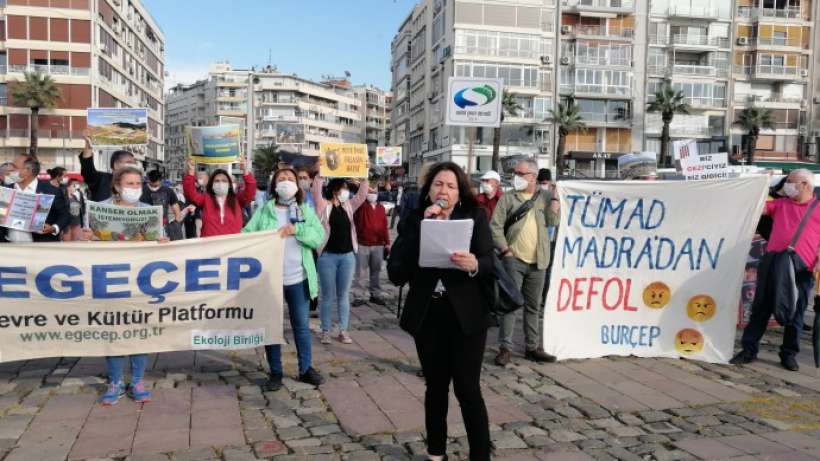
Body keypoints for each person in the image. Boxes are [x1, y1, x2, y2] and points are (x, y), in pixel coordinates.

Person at [387, 161, 493, 461]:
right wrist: (423, 228)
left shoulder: (475, 216)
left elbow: (489, 263)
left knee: (467, 388)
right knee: (435, 387)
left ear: (459, 194)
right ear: (428, 190)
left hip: (467, 317)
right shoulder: (413, 220)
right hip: (428, 315)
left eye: (450, 186)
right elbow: (396, 273)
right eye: (437, 184)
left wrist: (475, 265)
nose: (443, 190)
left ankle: (480, 455)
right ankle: (436, 453)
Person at [79, 166, 168, 405]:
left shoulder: (150, 212)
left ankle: (137, 380)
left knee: (139, 330)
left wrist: (163, 241)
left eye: (138, 184)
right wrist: (85, 238)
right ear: (117, 186)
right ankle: (115, 381)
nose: (134, 188)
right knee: (114, 331)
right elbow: (88, 249)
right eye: (129, 184)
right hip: (111, 281)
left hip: (140, 282)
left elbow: (161, 245)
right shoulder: (101, 209)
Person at [243, 168, 325, 390]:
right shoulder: (264, 210)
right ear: (274, 184)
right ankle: (276, 372)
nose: (286, 182)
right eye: (282, 178)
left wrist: (296, 231)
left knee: (301, 326)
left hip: (298, 279)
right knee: (272, 327)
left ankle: (306, 368)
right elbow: (246, 235)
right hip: (271, 280)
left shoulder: (305, 210)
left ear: (298, 185)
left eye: (291, 179)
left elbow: (318, 236)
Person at [731, 169, 820, 371]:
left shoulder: (818, 209)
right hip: (773, 264)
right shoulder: (781, 204)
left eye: (790, 182)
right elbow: (757, 207)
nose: (787, 185)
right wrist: (761, 181)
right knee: (760, 309)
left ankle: (789, 354)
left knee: (795, 314)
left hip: (801, 270)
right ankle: (748, 350)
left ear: (804, 184)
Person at [490, 158, 560, 366]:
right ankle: (505, 348)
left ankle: (532, 347)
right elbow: (495, 226)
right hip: (514, 260)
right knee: (510, 304)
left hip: (539, 261)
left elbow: (553, 222)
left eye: (521, 174)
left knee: (533, 307)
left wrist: (555, 202)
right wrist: (505, 250)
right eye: (515, 173)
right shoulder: (508, 198)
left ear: (533, 177)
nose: (516, 177)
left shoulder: (545, 197)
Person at [312, 174, 369, 344]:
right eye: (343, 188)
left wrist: (364, 178)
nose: (346, 191)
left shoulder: (349, 206)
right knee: (327, 296)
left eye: (347, 188)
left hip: (347, 257)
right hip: (328, 257)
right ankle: (326, 330)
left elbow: (361, 196)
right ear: (335, 190)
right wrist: (320, 174)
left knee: (343, 295)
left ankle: (343, 330)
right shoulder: (324, 205)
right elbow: (316, 191)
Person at [0, 153, 69, 243]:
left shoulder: (51, 191)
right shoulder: (5, 191)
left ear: (28, 171)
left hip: (40, 247)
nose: (10, 170)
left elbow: (65, 216)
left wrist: (53, 228)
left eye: (15, 167)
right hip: (8, 247)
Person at [182, 157, 256, 237]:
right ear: (212, 184)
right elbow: (190, 194)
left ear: (229, 185)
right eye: (217, 181)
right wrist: (191, 172)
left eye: (224, 181)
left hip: (233, 245)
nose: (220, 183)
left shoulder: (237, 200)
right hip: (210, 246)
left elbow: (250, 191)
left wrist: (245, 171)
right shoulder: (206, 199)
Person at [352, 186, 391, 306]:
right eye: (369, 191)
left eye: (374, 192)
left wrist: (387, 242)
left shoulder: (380, 208)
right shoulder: (360, 206)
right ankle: (359, 296)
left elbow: (384, 226)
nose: (372, 194)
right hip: (362, 243)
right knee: (360, 272)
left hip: (378, 244)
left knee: (376, 271)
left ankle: (375, 294)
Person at [79, 136, 141, 202]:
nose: (133, 167)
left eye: (134, 164)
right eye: (129, 163)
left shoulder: (138, 185)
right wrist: (88, 147)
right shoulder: (101, 179)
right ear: (116, 165)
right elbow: (87, 169)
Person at [142, 170, 183, 240]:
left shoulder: (168, 191)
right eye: (151, 185)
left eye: (156, 185)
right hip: (144, 228)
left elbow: (177, 210)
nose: (154, 187)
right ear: (148, 180)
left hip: (163, 228)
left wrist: (175, 226)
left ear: (161, 181)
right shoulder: (141, 190)